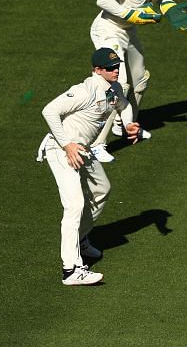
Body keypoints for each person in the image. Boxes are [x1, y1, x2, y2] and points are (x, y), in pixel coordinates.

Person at [38, 48, 143, 285]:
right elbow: (49, 111)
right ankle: (71, 270)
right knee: (74, 205)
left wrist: (128, 125)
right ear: (97, 70)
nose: (115, 71)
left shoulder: (114, 89)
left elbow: (124, 106)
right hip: (61, 150)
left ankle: (81, 237)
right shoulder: (85, 90)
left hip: (83, 150)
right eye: (110, 68)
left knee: (101, 190)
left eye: (117, 67)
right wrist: (67, 145)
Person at [88, 0, 183, 163]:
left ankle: (126, 125)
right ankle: (97, 144)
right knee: (118, 84)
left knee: (140, 79)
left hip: (128, 31)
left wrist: (171, 9)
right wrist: (131, 14)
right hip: (108, 29)